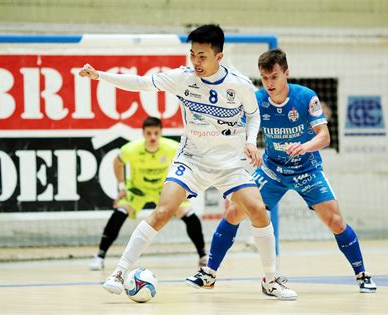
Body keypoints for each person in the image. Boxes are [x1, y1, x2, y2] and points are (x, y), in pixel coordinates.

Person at [79, 24, 296, 300]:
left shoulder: (239, 84)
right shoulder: (183, 78)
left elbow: (254, 116)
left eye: (202, 56)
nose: (196, 61)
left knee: (258, 210)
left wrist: (251, 141)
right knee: (163, 210)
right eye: (192, 54)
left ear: (219, 55)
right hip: (192, 160)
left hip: (230, 163)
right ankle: (119, 271)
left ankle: (271, 280)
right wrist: (100, 76)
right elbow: (142, 83)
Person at [186, 48, 377, 294]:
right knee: (235, 211)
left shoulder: (306, 97)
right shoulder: (256, 99)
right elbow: (243, 130)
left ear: (286, 73)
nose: (269, 83)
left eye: (274, 77)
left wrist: (304, 147)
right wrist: (249, 145)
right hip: (272, 169)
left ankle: (362, 274)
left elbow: (325, 137)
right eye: (264, 78)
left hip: (306, 168)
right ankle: (209, 274)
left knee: (335, 220)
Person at [89, 117, 208, 271]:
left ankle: (203, 256)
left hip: (164, 191)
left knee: (189, 214)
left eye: (156, 133)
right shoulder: (130, 149)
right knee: (120, 212)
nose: (152, 137)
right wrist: (122, 187)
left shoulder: (172, 147)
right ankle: (99, 256)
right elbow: (117, 163)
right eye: (149, 133)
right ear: (143, 133)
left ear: (161, 132)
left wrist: (185, 187)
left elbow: (190, 162)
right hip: (137, 191)